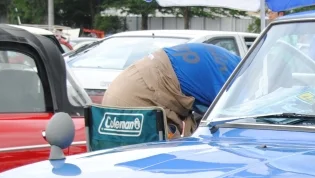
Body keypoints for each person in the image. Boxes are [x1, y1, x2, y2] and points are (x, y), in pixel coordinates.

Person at [102, 42, 240, 137]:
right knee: (168, 157)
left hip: (126, 86)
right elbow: (232, 123)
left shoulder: (233, 63)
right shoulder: (235, 81)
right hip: (139, 96)